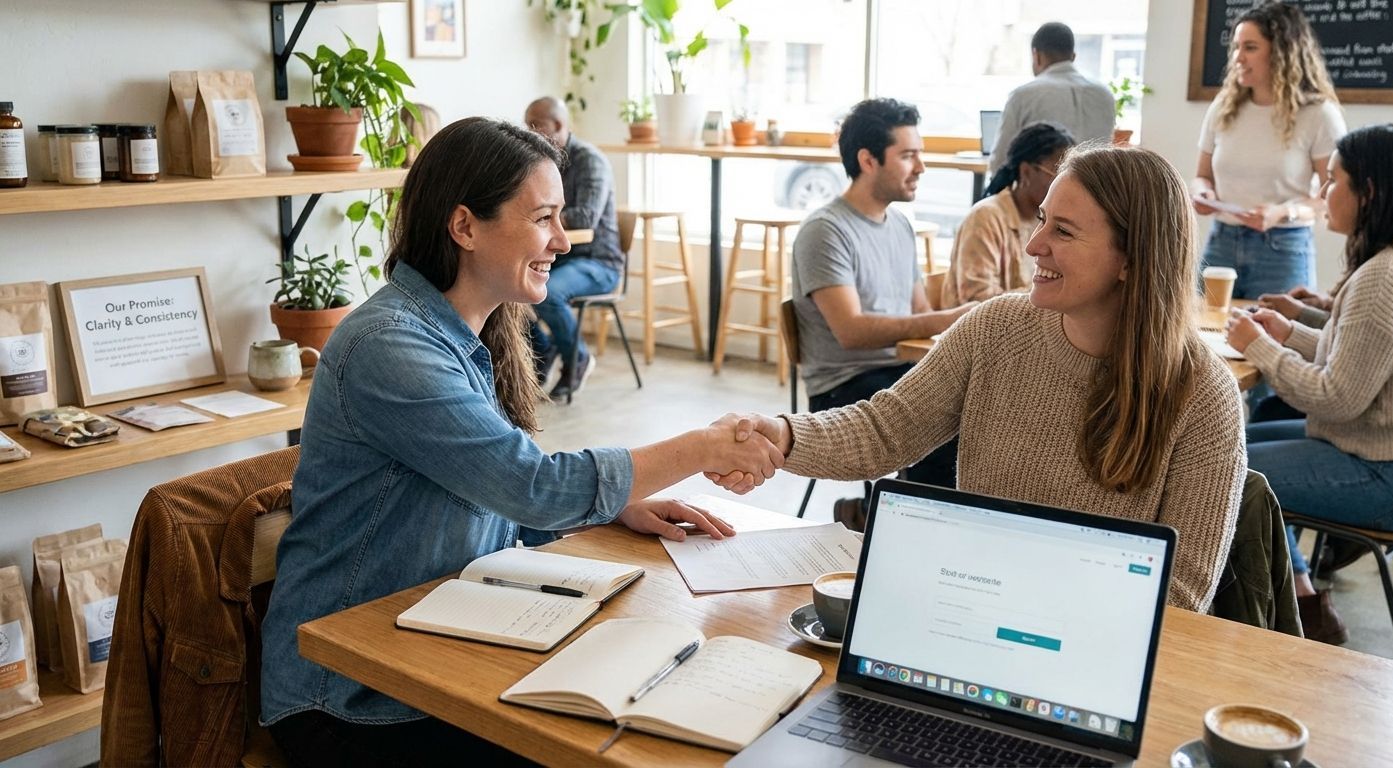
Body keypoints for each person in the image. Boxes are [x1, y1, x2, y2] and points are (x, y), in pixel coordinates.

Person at [261, 117, 782, 767]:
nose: (563, 242)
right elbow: (532, 488)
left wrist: (617, 504)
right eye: (544, 218)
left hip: (432, 649)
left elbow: (494, 488)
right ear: (465, 227)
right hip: (349, 696)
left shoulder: (461, 332)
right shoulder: (390, 346)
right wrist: (704, 447)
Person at [723, 146, 1248, 613]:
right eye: (1042, 220)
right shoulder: (996, 328)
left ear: (1132, 260)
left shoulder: (1204, 395)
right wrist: (785, 435)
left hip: (1086, 645)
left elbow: (1179, 598)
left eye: (1062, 231)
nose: (1033, 245)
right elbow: (888, 429)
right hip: (969, 608)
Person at [1227, 123, 1393, 645]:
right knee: (1224, 444)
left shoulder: (1382, 277)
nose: (1324, 193)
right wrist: (1287, 331)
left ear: (1367, 192)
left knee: (1226, 465)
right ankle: (1297, 600)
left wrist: (1260, 346)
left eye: (1333, 181)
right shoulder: (1388, 264)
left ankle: (1268, 621)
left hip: (1380, 475)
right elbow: (1353, 359)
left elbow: (1338, 396)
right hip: (1373, 456)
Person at [790, 98, 975, 497]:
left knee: (984, 406)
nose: (921, 168)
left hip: (894, 373)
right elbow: (852, 332)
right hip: (843, 388)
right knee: (950, 428)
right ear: (868, 160)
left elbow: (919, 313)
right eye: (908, 156)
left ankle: (885, 513)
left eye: (920, 155)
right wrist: (954, 318)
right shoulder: (825, 231)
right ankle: (918, 530)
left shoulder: (900, 227)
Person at [1191, 1, 1345, 298]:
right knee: (1204, 333)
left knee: (1273, 338)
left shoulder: (1318, 114)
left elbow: (1330, 197)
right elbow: (1202, 176)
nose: (1237, 57)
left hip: (1283, 248)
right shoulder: (1223, 106)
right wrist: (1203, 193)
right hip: (1221, 242)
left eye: (1250, 47)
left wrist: (1282, 213)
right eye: (1235, 47)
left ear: (1282, 52)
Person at [523, 95, 625, 400]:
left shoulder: (590, 161)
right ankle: (544, 350)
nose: (528, 131)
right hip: (561, 259)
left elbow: (585, 218)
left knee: (548, 293)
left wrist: (540, 216)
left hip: (598, 263)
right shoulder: (541, 162)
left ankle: (578, 357)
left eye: (535, 125)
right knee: (510, 285)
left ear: (558, 125)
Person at [939, 121, 1075, 309]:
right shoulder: (986, 217)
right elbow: (976, 299)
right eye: (1057, 176)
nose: (1064, 187)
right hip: (978, 332)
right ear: (1026, 172)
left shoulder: (1049, 220)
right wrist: (1046, 292)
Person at [988, 22, 1115, 173]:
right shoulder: (1105, 94)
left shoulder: (1023, 95)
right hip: (1096, 193)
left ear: (1036, 56)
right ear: (1073, 56)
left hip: (1045, 194)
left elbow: (1000, 162)